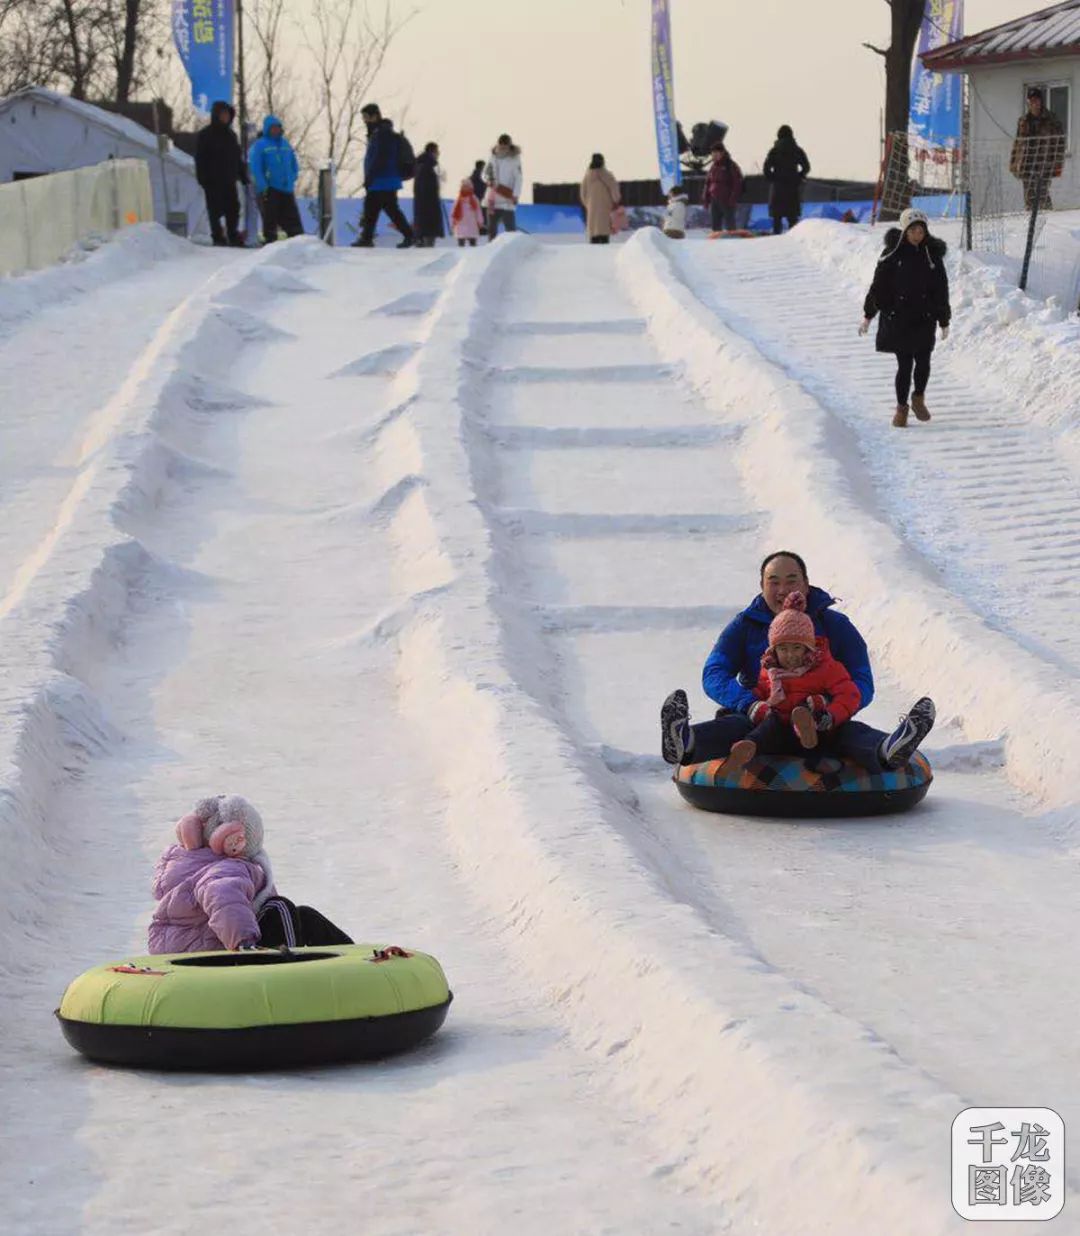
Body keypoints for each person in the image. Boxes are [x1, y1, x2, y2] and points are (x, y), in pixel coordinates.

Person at [660, 551, 936, 773]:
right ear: (761, 586)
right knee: (734, 727)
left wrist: (830, 710)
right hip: (762, 719)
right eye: (774, 581)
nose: (782, 589)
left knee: (849, 733)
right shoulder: (744, 626)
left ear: (805, 584)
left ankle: (888, 750)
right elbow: (715, 672)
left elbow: (860, 679)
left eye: (791, 580)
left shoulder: (835, 626)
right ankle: (685, 742)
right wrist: (749, 703)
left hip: (815, 721)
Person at [149, 794, 353, 953]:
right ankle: (291, 968)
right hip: (216, 954)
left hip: (191, 949)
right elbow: (222, 897)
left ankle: (353, 957)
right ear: (233, 841)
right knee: (279, 908)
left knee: (304, 916)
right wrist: (243, 943)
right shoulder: (227, 868)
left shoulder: (194, 863)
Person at [724, 591, 862, 773]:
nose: (790, 655)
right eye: (783, 649)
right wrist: (740, 708)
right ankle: (747, 748)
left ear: (808, 648)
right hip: (779, 731)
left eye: (797, 648)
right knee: (769, 723)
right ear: (774, 650)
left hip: (814, 726)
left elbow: (850, 695)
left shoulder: (826, 667)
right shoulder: (770, 670)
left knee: (811, 715)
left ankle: (814, 753)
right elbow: (759, 692)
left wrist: (830, 715)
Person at [859, 206, 951, 428]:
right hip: (899, 318)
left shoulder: (932, 256)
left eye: (921, 231)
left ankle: (918, 398)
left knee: (923, 362)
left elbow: (941, 288)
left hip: (924, 317)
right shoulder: (891, 255)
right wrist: (869, 315)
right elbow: (878, 287)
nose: (917, 235)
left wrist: (943, 319)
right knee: (905, 364)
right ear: (904, 231)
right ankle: (901, 408)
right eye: (913, 231)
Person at [354, 103, 415, 249]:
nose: (365, 121)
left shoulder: (383, 133)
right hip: (383, 179)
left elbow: (380, 158)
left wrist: (370, 176)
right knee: (377, 209)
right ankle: (367, 238)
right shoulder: (378, 132)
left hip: (383, 179)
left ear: (375, 116)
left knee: (385, 209)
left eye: (366, 117)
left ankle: (409, 235)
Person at [195, 100, 247, 247]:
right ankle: (217, 235)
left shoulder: (231, 135)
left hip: (229, 179)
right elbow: (200, 157)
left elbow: (237, 157)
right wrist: (202, 177)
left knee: (233, 208)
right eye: (222, 114)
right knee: (214, 210)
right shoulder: (206, 135)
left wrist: (242, 175)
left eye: (227, 115)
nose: (225, 117)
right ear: (216, 115)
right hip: (212, 179)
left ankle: (233, 234)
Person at [1009, 87, 1066, 211]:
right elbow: (1017, 143)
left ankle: (1050, 221)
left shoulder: (1051, 119)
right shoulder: (1023, 121)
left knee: (1042, 194)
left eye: (1037, 100)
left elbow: (1060, 144)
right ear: (1028, 102)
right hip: (1027, 163)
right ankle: (1032, 225)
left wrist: (1057, 164)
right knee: (1029, 196)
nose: (1034, 103)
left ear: (1041, 101)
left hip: (1044, 163)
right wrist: (1014, 163)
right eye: (1032, 101)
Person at [248, 114, 303, 243]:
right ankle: (270, 240)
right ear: (267, 129)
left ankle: (297, 240)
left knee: (292, 217)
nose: (276, 130)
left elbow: (294, 163)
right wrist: (263, 186)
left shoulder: (286, 144)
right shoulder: (260, 145)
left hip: (287, 188)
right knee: (270, 217)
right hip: (270, 188)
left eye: (278, 127)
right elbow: (256, 167)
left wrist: (292, 177)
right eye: (273, 128)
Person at [763, 124, 810, 235]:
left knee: (777, 219)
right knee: (792, 219)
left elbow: (766, 168)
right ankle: (792, 243)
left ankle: (776, 241)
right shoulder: (797, 150)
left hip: (778, 188)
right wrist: (799, 176)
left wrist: (773, 178)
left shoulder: (774, 151)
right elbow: (806, 167)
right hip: (792, 187)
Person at [484, 134, 523, 241]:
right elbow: (485, 173)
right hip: (493, 199)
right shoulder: (492, 156)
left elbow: (519, 179)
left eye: (505, 147)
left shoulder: (515, 158)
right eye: (501, 147)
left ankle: (512, 250)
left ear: (509, 145)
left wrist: (515, 194)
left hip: (507, 198)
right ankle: (491, 251)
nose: (503, 149)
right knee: (492, 229)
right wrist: (489, 179)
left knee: (510, 229)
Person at [580, 153, 621, 245]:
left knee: (594, 233)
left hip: (592, 208)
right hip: (605, 207)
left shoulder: (587, 176)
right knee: (604, 233)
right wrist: (615, 201)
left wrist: (588, 204)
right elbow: (615, 191)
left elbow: (583, 194)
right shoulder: (608, 175)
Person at [703, 142, 743, 234]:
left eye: (716, 153)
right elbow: (708, 183)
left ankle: (733, 240)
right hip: (714, 198)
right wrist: (706, 198)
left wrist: (733, 198)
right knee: (715, 225)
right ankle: (716, 244)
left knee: (730, 224)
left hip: (726, 199)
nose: (714, 156)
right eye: (712, 154)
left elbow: (737, 183)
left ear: (722, 153)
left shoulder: (730, 165)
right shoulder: (713, 167)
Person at [413, 142, 445, 248]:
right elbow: (427, 187)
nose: (438, 154)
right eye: (437, 151)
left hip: (423, 204)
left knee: (425, 229)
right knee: (428, 232)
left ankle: (423, 240)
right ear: (432, 152)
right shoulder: (426, 166)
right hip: (428, 205)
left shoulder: (422, 164)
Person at [451, 178, 484, 246]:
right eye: (463, 186)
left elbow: (478, 211)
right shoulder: (458, 199)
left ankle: (474, 253)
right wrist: (452, 222)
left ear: (470, 187)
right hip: (460, 224)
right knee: (461, 243)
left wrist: (480, 221)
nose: (465, 188)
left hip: (471, 224)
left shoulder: (474, 199)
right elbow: (454, 212)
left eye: (467, 186)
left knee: (473, 243)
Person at [471, 159, 488, 234]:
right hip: (478, 199)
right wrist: (486, 186)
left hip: (478, 199)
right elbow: (478, 187)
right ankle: (482, 230)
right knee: (481, 214)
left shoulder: (476, 175)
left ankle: (481, 229)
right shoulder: (476, 176)